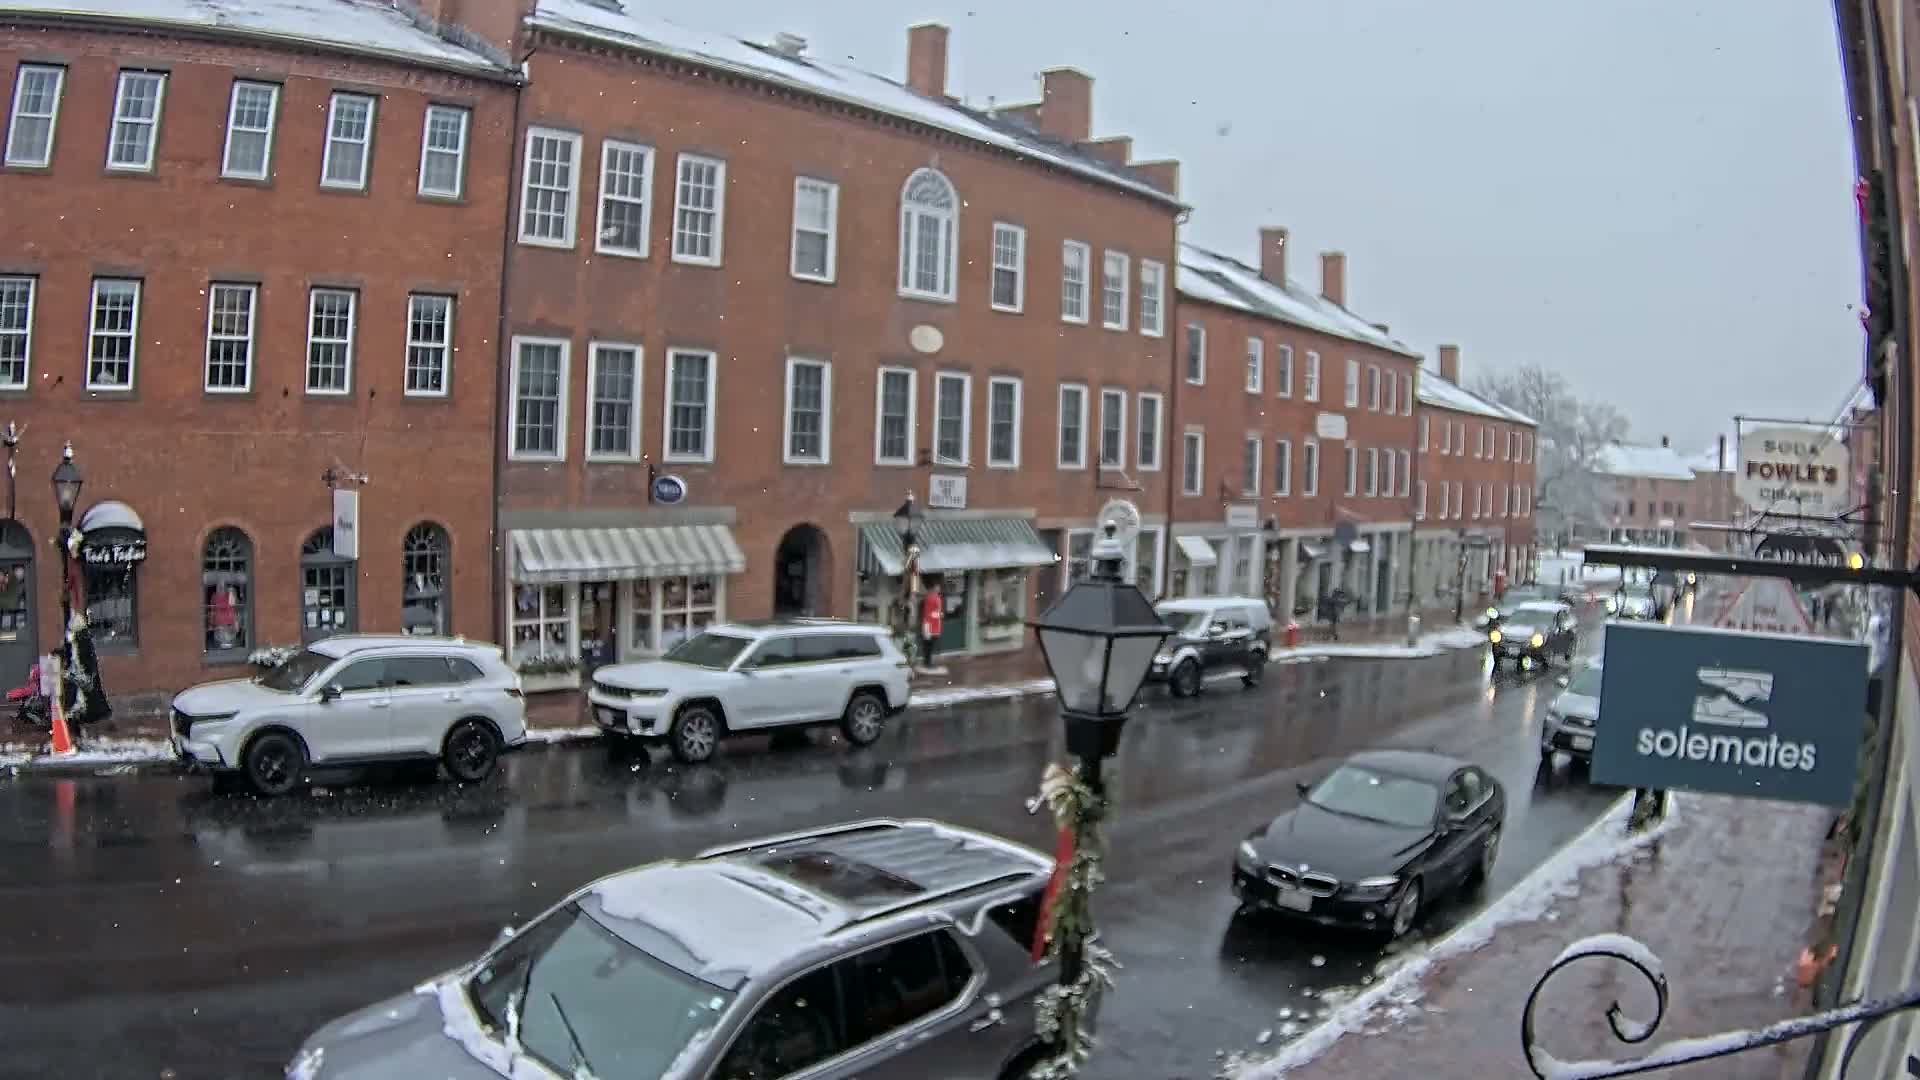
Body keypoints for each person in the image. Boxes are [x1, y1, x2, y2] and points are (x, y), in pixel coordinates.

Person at [920, 580, 944, 670]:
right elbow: (934, 613)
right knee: (929, 646)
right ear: (934, 588)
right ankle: (928, 663)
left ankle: (927, 662)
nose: (938, 589)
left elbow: (928, 613)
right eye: (937, 587)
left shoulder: (927, 598)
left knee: (927, 645)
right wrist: (940, 615)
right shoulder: (935, 598)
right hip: (932, 626)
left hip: (926, 624)